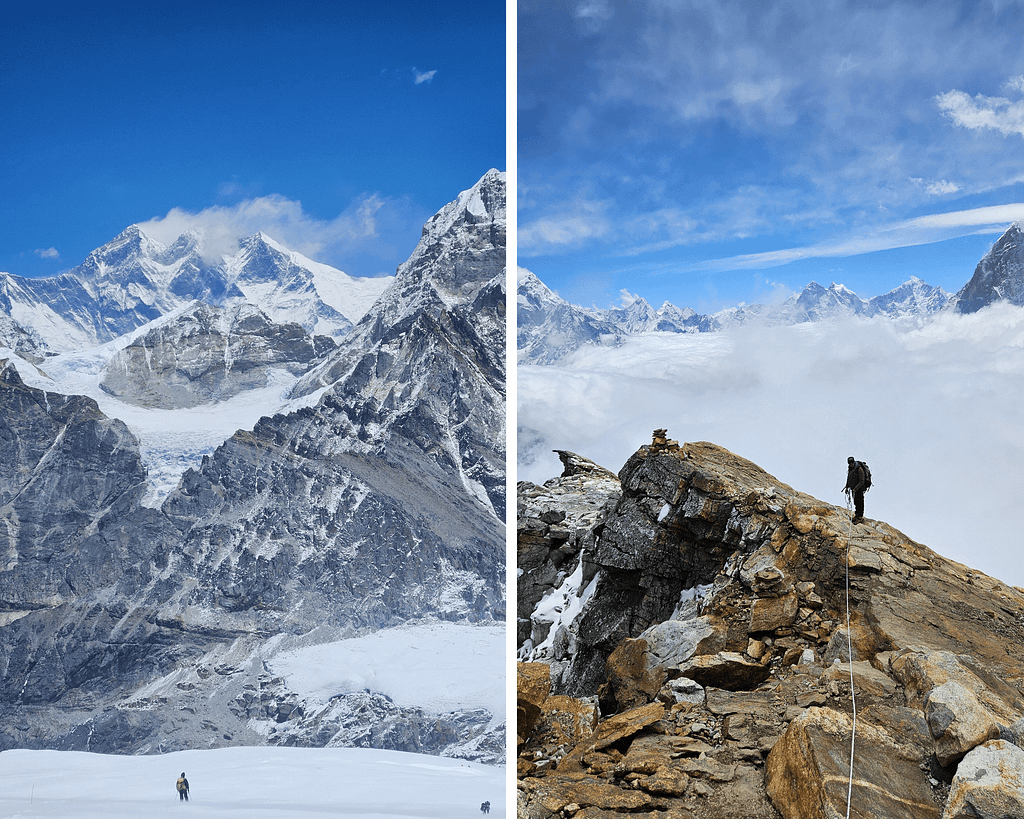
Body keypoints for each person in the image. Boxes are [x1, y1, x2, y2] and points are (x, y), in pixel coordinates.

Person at [843, 456, 869, 523]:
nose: (851, 464)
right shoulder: (850, 468)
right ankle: (857, 515)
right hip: (854, 488)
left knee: (860, 502)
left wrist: (856, 488)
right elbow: (849, 477)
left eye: (852, 463)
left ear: (853, 462)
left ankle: (860, 517)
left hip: (859, 489)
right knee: (856, 502)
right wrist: (847, 487)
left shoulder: (859, 469)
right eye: (850, 464)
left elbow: (862, 481)